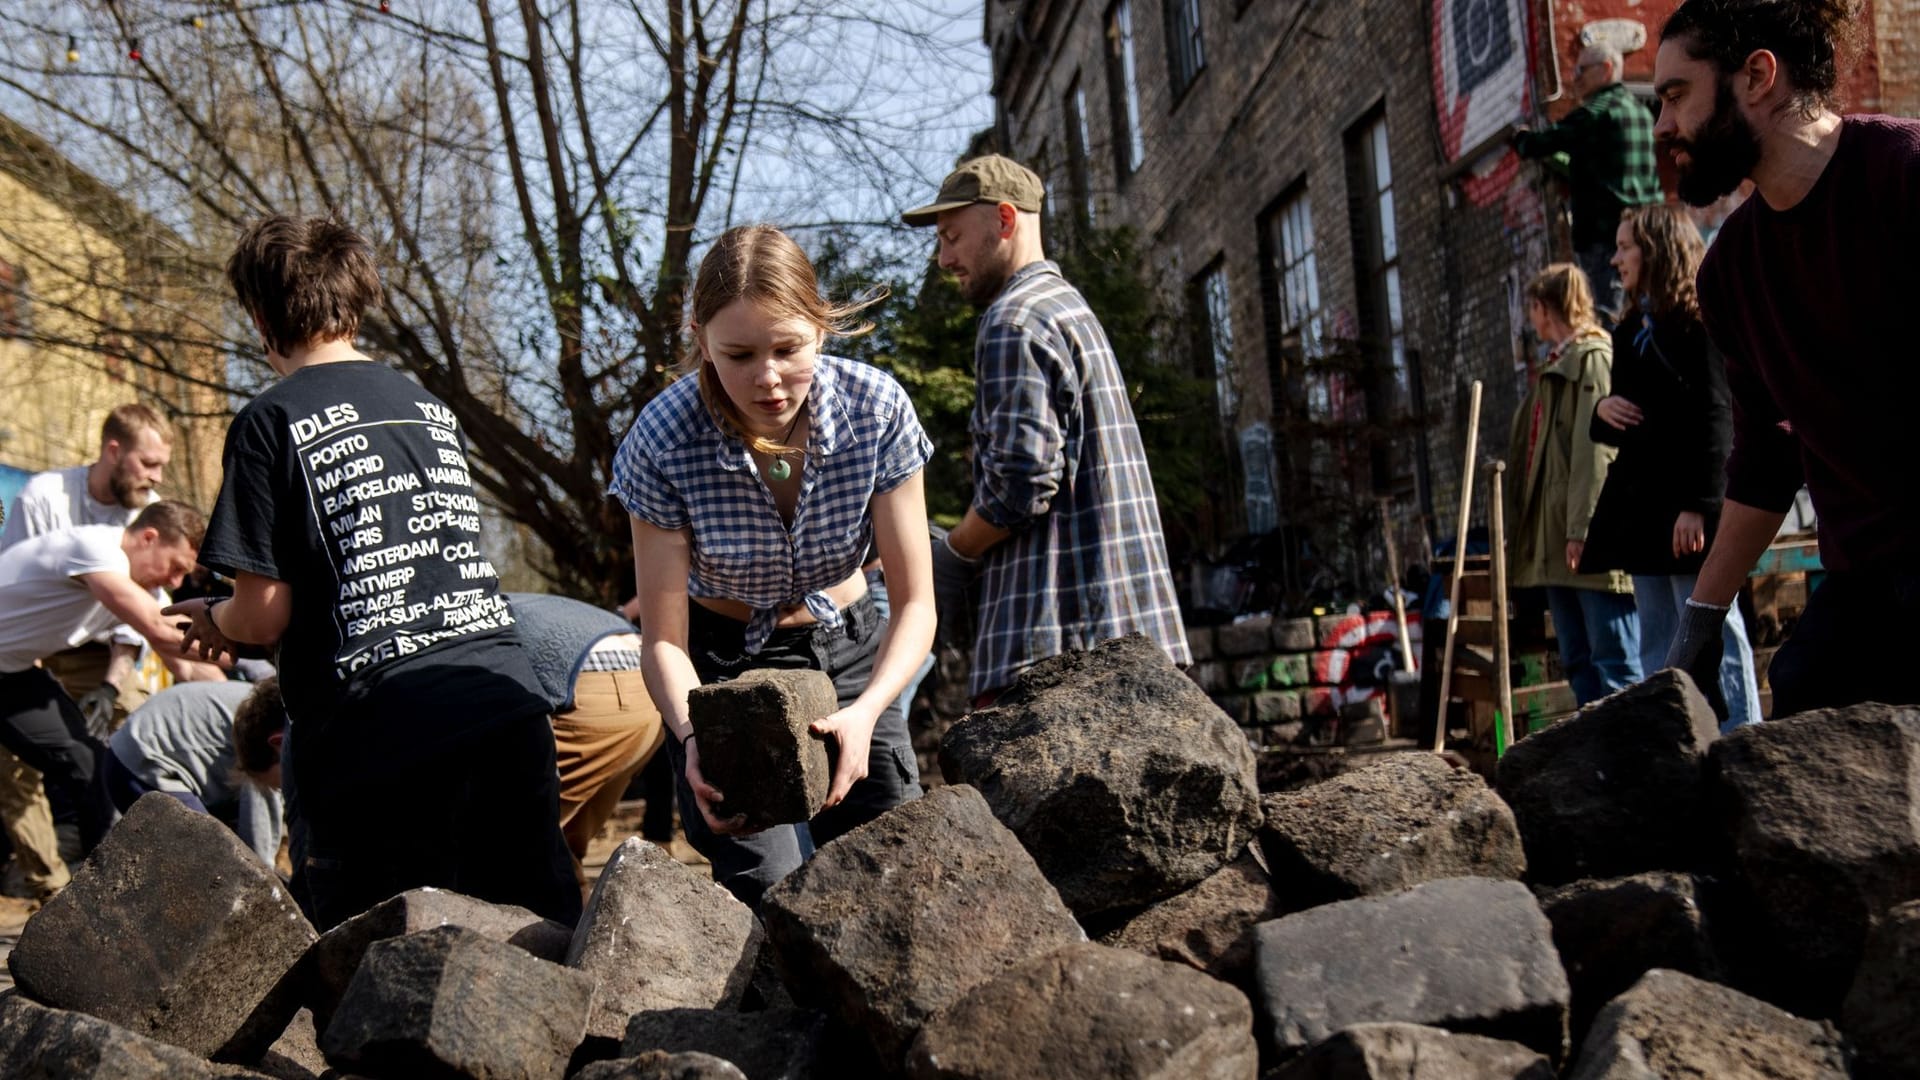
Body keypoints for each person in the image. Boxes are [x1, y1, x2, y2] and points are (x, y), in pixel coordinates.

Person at [165, 214, 578, 930]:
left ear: (261, 319)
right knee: (538, 937)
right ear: (356, 303)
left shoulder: (269, 421)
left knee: (377, 965)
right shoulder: (427, 408)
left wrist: (215, 622)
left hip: (379, 730)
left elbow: (261, 614)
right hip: (504, 705)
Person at [612, 224, 935, 908]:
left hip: (848, 653)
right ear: (700, 339)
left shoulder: (876, 412)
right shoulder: (662, 442)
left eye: (788, 349)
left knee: (894, 875)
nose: (767, 378)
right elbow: (663, 640)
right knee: (769, 889)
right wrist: (694, 731)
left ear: (822, 328)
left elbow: (915, 605)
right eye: (738, 354)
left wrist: (870, 710)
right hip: (725, 672)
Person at [1652, 0, 1919, 716]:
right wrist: (1699, 625)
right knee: (1804, 695)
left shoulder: (1904, 174)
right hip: (1869, 580)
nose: (1663, 127)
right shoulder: (1730, 271)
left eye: (1677, 95)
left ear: (1757, 77)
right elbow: (1765, 463)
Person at [899, 155, 1190, 704]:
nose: (944, 259)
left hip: (1056, 650)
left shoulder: (1012, 321)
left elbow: (1021, 485)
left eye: (953, 237)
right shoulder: (1067, 307)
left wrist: (952, 555)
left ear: (1005, 221)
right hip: (1125, 634)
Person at [1577, 204, 1761, 728]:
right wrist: (1601, 412)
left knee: (1712, 630)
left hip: (1685, 515)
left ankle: (1742, 739)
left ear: (1656, 249)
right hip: (1644, 515)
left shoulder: (1699, 322)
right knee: (1658, 637)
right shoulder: (1632, 327)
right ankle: (1674, 744)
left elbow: (1715, 417)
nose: (1615, 259)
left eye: (1625, 246)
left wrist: (1699, 506)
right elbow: (1634, 416)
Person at [0, 502, 207, 857]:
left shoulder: (143, 588)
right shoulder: (96, 549)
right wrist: (254, 635)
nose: (176, 582)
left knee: (89, 762)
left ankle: (100, 887)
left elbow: (188, 664)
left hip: (11, 672)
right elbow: (158, 628)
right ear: (149, 537)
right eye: (176, 568)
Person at [1504, 263, 1641, 705]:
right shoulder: (1557, 366)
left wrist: (1585, 530)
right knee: (1579, 662)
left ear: (1545, 308)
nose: (1531, 319)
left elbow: (1594, 452)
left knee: (1615, 664)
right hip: (1558, 544)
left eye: (1533, 308)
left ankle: (1632, 760)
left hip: (1583, 540)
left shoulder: (1593, 360)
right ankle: (1598, 764)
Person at [506, 593, 665, 882]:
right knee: (564, 844)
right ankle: (579, 921)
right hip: (651, 684)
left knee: (513, 840)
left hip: (593, 688)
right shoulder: (518, 602)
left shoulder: (454, 621)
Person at [1514, 43, 1664, 318]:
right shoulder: (1641, 113)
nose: (1575, 78)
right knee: (1648, 312)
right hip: (1649, 234)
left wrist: (1520, 139)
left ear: (1606, 69)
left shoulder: (1595, 113)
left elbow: (1539, 143)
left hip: (1604, 238)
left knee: (1608, 317)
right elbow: (1600, 168)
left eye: (1581, 69)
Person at [104, 677, 286, 867]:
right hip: (141, 762)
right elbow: (259, 828)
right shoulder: (268, 732)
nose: (280, 787)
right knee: (215, 865)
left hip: (137, 750)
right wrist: (263, 880)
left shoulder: (278, 709)